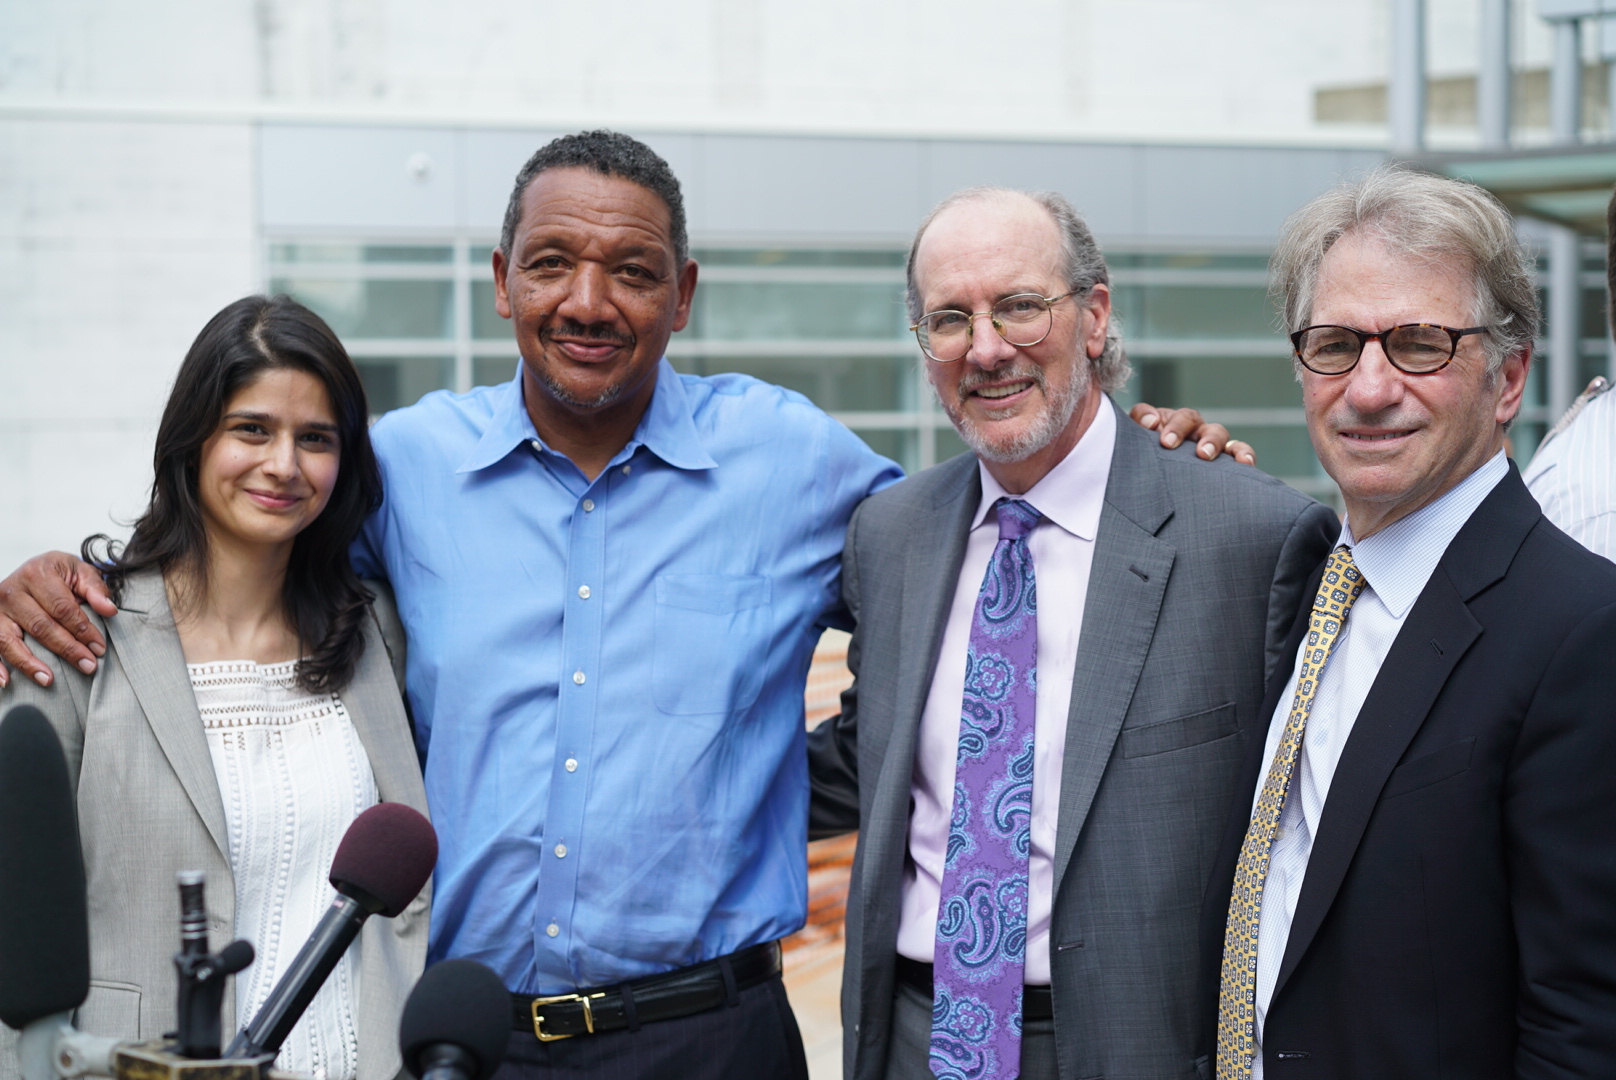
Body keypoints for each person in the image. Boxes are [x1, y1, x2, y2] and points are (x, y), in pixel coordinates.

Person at [0, 133, 1236, 1080]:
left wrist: (1136, 462)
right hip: (457, 1036)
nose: (588, 301)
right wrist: (72, 579)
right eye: (551, 264)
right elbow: (242, 549)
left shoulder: (792, 463)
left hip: (712, 1034)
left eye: (631, 271)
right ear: (500, 282)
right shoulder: (403, 470)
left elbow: (982, 566)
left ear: (682, 293)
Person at [806, 185, 1336, 1080]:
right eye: (948, 319)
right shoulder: (889, 536)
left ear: (1093, 317)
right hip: (908, 1037)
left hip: (1136, 1047)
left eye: (1019, 306)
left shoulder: (1250, 538)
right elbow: (870, 757)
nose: (984, 349)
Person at [1202, 166, 1616, 1080]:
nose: (1370, 388)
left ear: (1508, 379)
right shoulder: (1303, 580)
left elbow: (1584, 1025)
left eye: (1420, 344)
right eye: (1336, 344)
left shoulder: (1583, 633)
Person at [0, 296, 429, 1080]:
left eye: (316, 439)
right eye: (252, 429)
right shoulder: (73, 638)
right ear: (193, 438)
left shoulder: (379, 638)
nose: (284, 465)